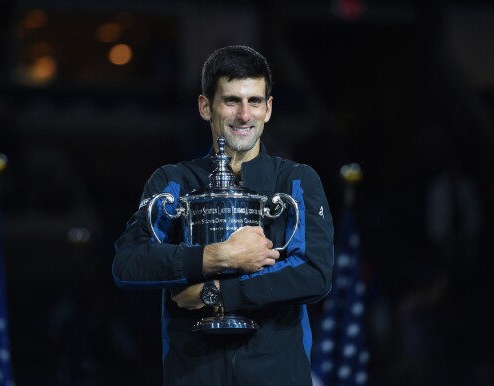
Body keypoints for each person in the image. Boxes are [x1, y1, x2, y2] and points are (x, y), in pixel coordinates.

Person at [112, 45, 334, 386]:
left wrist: (215, 292)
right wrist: (219, 255)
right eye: (231, 100)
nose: (244, 115)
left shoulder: (297, 180)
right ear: (205, 106)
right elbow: (129, 262)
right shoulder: (173, 180)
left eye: (255, 101)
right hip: (194, 375)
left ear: (269, 109)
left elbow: (314, 273)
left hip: (276, 375)